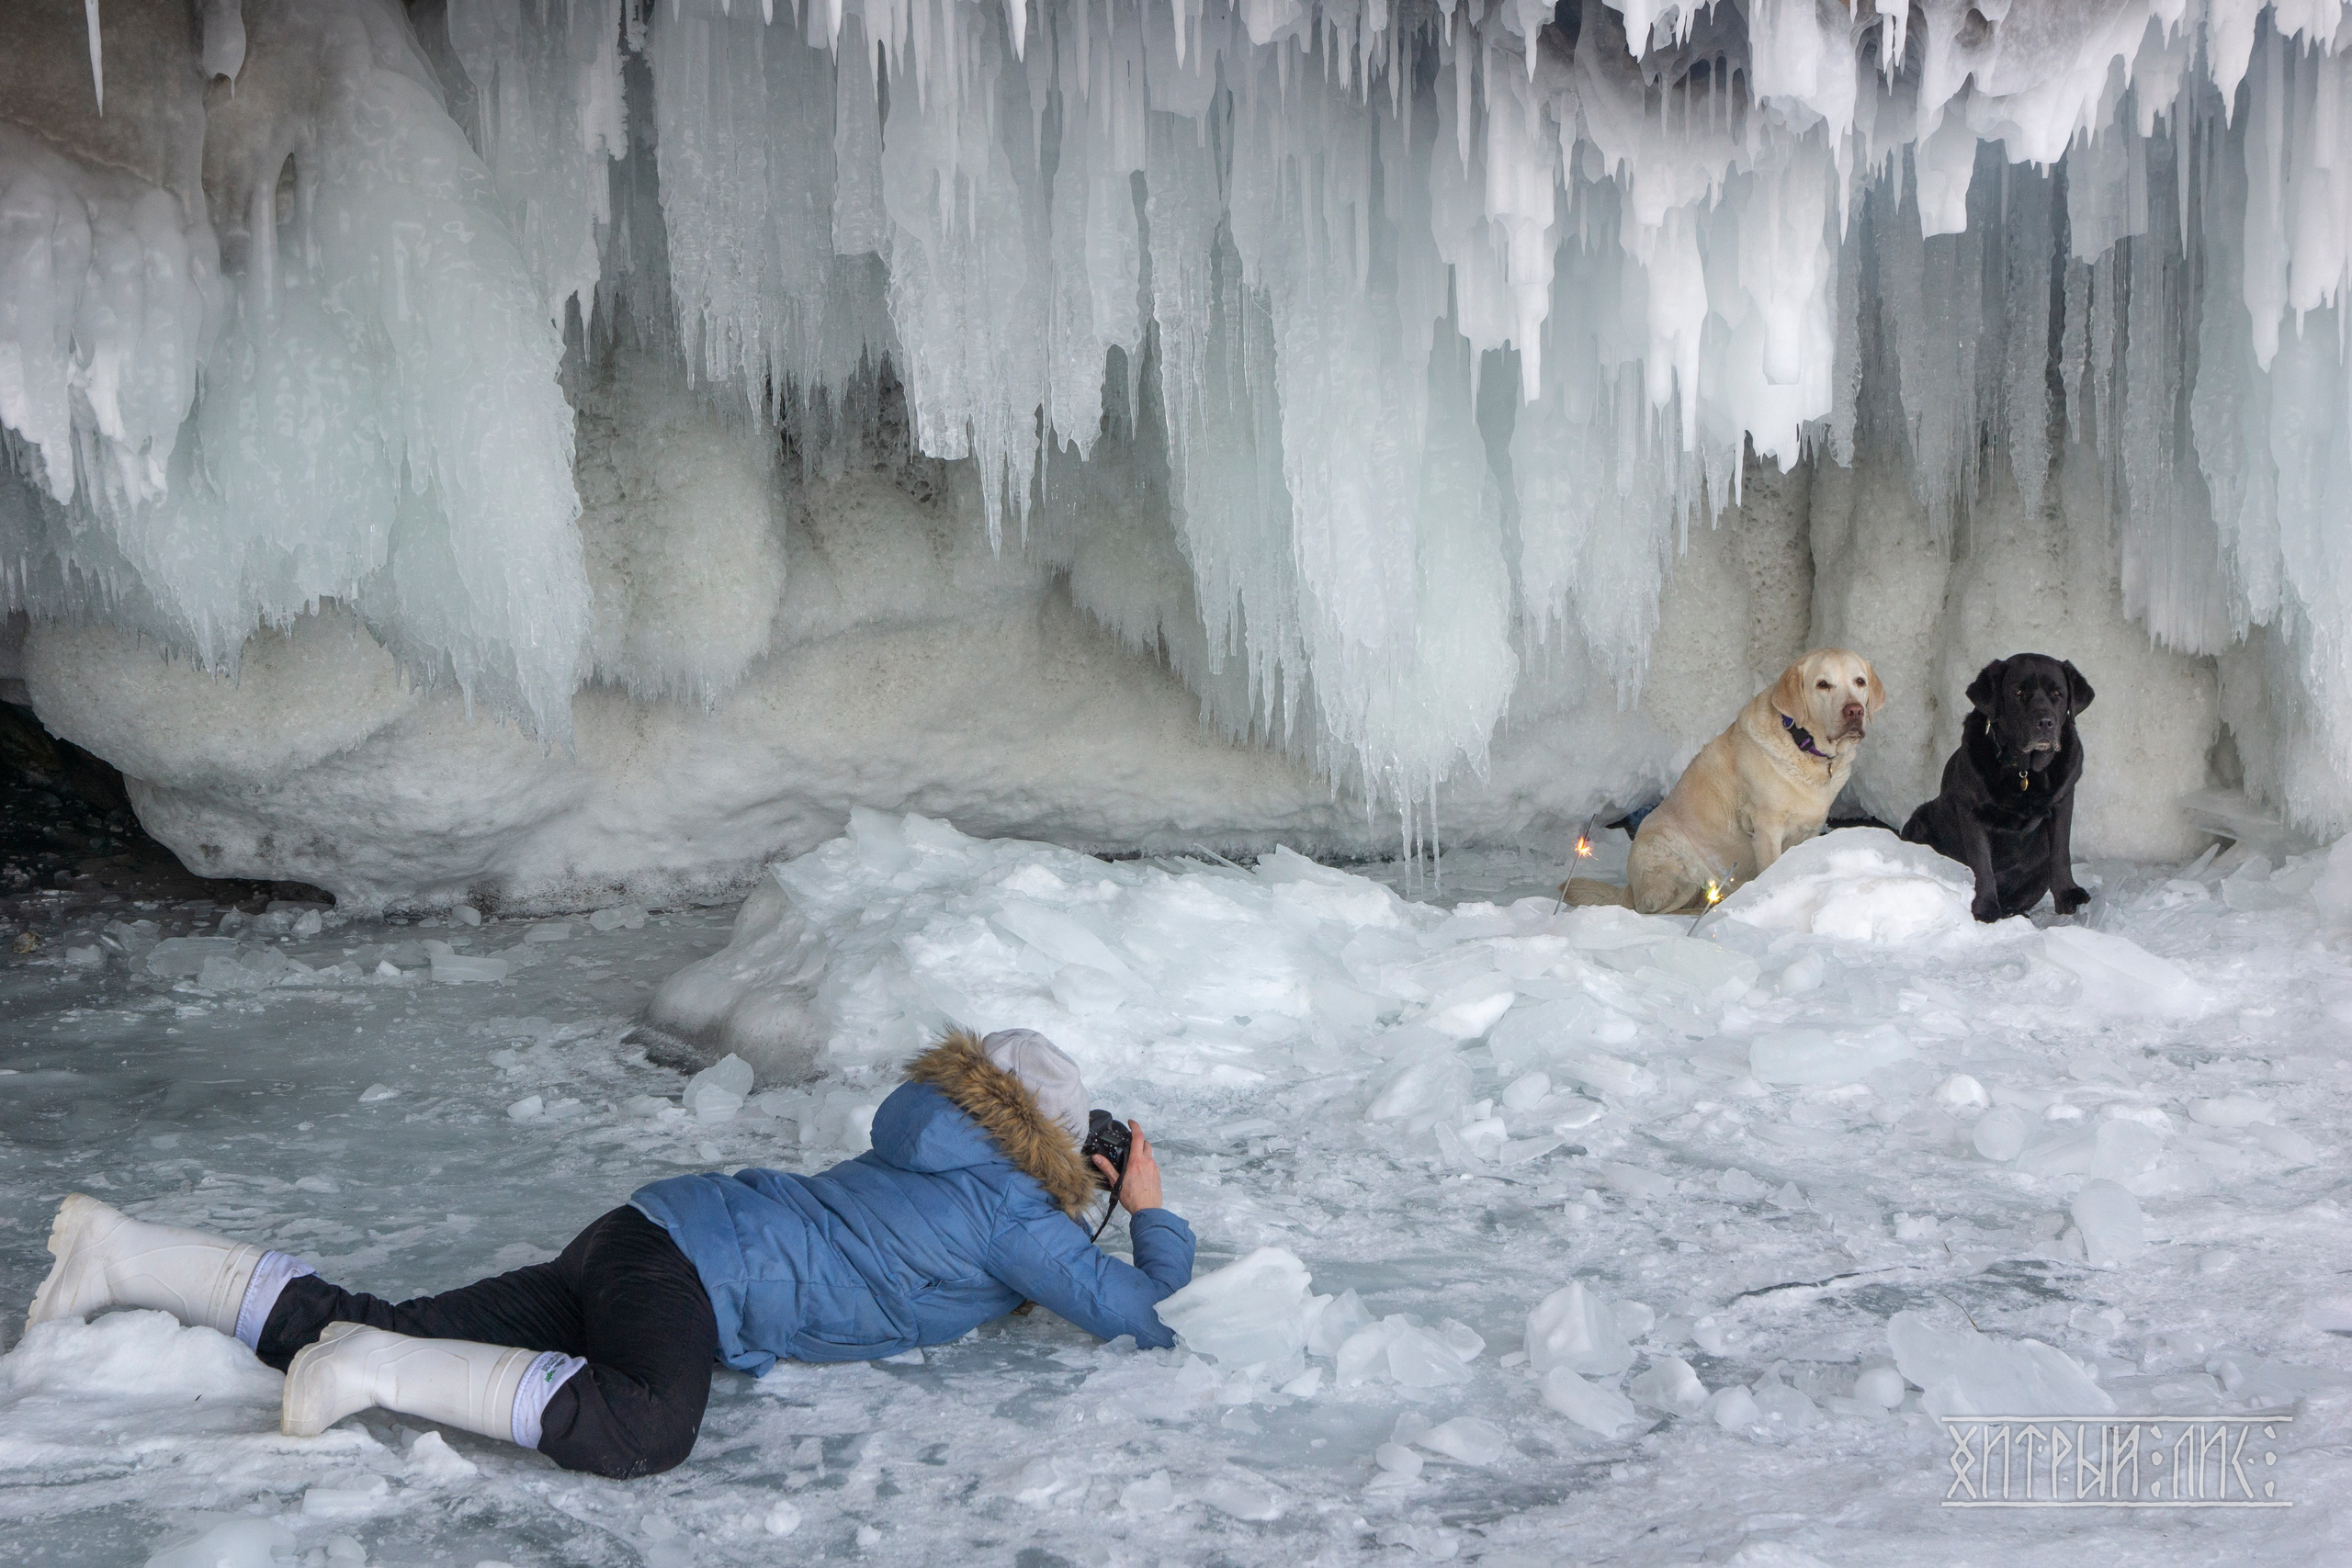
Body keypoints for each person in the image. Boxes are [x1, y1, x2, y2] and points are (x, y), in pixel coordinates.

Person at [20, 1027, 1193, 1478]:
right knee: (644, 1426)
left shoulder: (928, 1149)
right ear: (1047, 1140)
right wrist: (1141, 1200)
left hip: (643, 1235)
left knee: (402, 1311)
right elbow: (1138, 1312)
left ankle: (124, 1254)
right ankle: (364, 1370)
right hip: (682, 1281)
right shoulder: (1012, 1214)